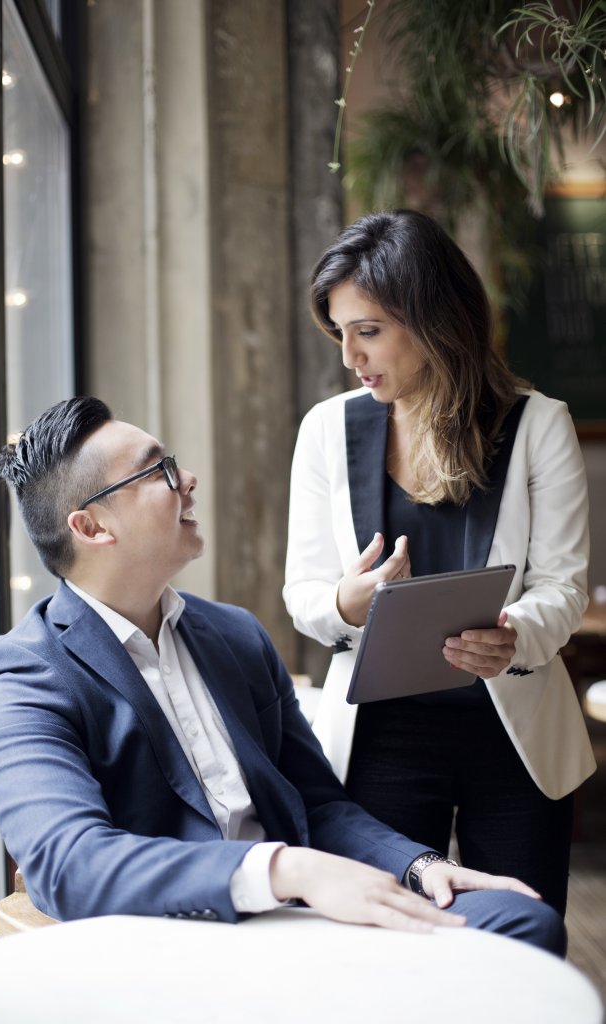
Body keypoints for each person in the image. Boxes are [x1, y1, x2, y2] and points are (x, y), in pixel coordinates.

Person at [0, 396, 564, 953]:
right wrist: (285, 869)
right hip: (180, 940)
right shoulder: (23, 674)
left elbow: (318, 805)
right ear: (93, 528)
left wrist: (421, 866)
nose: (189, 480)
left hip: (301, 919)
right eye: (160, 471)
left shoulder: (233, 634)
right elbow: (70, 863)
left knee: (522, 921)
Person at [283, 209, 596, 919]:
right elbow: (301, 591)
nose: (349, 358)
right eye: (340, 333)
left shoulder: (536, 423)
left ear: (431, 318)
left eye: (367, 332)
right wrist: (345, 602)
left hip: (511, 736)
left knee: (520, 932)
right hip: (380, 739)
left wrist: (512, 634)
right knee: (387, 945)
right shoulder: (326, 431)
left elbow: (562, 587)